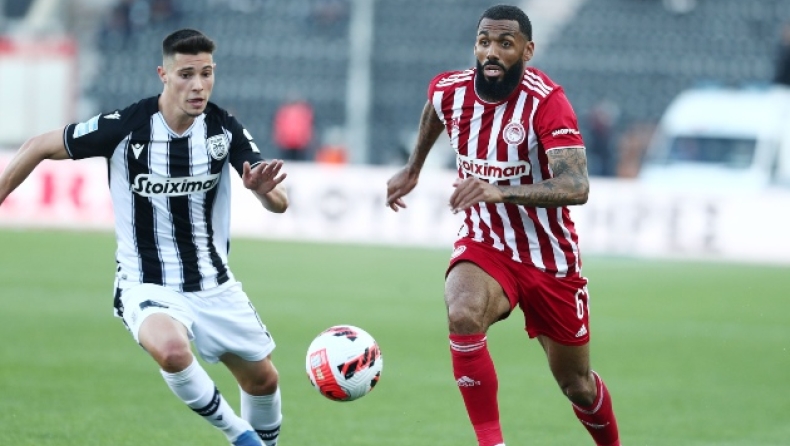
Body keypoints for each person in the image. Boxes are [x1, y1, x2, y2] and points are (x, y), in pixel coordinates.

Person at [0, 29, 287, 446]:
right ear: (163, 75)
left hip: (213, 283)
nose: (198, 85)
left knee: (263, 380)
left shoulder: (223, 129)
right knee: (171, 351)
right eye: (186, 74)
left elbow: (279, 201)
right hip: (146, 281)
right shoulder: (126, 127)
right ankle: (240, 435)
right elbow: (39, 144)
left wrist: (263, 190)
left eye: (206, 73)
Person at [386, 5, 620, 446]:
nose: (491, 52)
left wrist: (501, 191)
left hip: (548, 258)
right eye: (484, 42)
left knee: (577, 385)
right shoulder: (450, 90)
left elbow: (576, 185)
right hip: (485, 241)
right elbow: (435, 108)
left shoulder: (547, 103)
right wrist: (414, 167)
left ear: (527, 51)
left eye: (505, 44)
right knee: (463, 311)